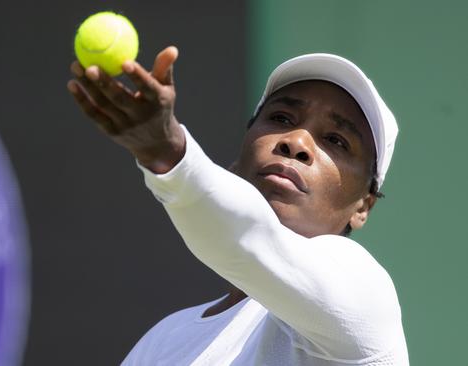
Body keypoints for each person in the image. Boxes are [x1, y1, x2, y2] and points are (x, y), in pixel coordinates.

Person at [67, 46, 409, 365]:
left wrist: (168, 152)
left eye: (336, 140)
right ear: (237, 161)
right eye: (282, 118)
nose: (297, 142)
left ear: (363, 206)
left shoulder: (364, 294)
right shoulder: (163, 339)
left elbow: (248, 237)